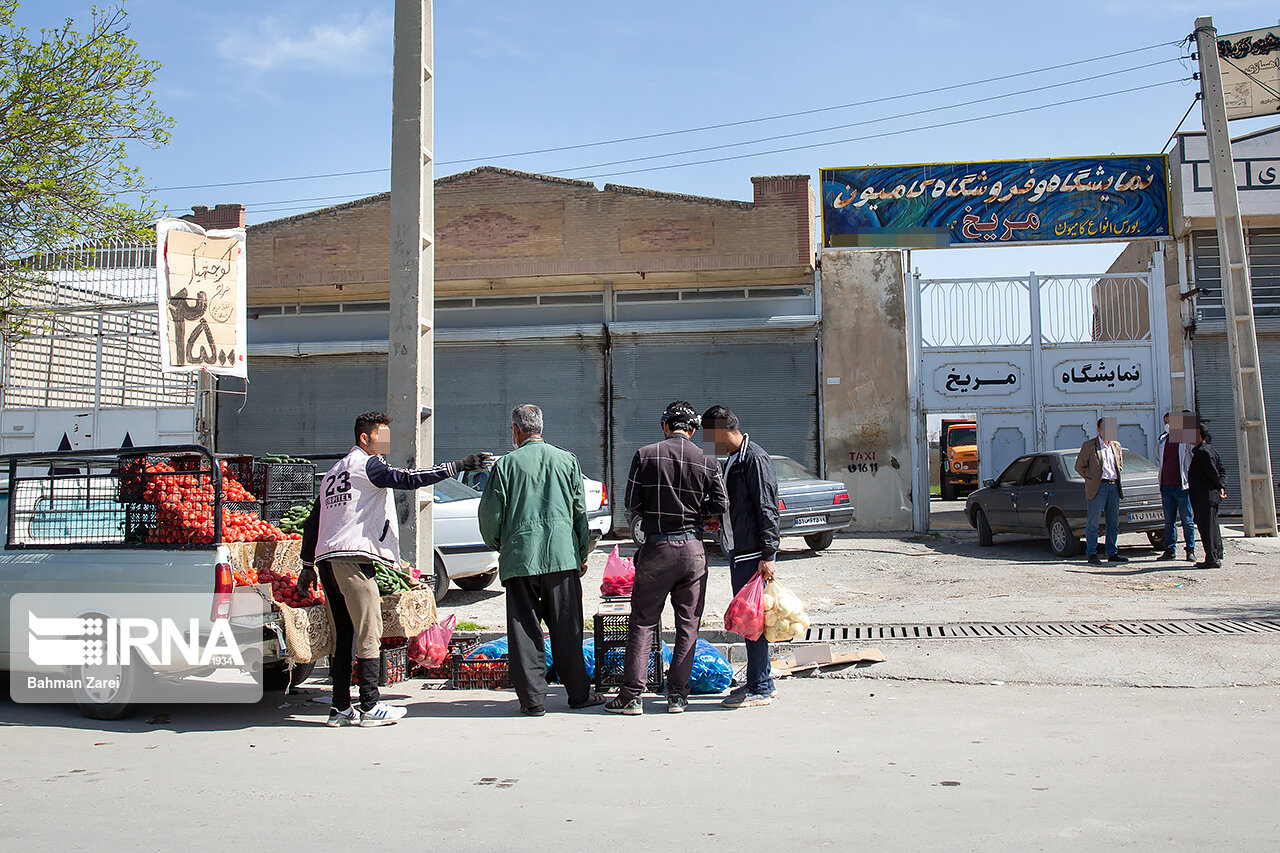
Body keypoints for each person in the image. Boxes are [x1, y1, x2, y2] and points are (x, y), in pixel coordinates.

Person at [299, 411, 491, 727]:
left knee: (343, 636)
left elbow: (313, 522)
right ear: (364, 438)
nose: (386, 441)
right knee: (368, 632)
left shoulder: (333, 473)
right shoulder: (368, 465)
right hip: (354, 560)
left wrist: (308, 566)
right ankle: (370, 707)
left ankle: (340, 708)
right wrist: (456, 466)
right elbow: (408, 479)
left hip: (327, 563)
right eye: (382, 435)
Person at [477, 404, 603, 716]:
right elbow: (579, 512)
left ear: (515, 430)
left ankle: (533, 701)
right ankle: (578, 694)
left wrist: (502, 545)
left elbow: (490, 516)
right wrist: (581, 552)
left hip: (520, 559)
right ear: (541, 428)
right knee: (568, 627)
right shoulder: (566, 460)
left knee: (525, 632)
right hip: (562, 558)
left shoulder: (505, 466)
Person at [606, 401, 728, 715]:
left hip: (657, 548)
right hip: (693, 552)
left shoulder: (645, 455)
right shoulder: (707, 461)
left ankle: (632, 696)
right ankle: (677, 696)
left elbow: (632, 502)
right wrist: (703, 517)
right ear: (693, 430)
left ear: (665, 426)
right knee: (688, 624)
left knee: (643, 622)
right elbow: (721, 503)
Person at [702, 405, 780, 709]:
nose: (709, 443)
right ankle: (762, 681)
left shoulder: (754, 458)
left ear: (722, 430)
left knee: (753, 620)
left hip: (752, 554)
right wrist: (721, 522)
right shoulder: (734, 459)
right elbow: (738, 506)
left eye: (710, 435)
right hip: (739, 550)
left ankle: (759, 687)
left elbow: (766, 507)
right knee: (751, 620)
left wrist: (768, 553)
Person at [1075, 417, 1127, 565]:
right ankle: (1092, 553)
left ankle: (1112, 552)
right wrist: (1091, 478)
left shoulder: (1116, 446)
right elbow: (1079, 466)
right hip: (1099, 487)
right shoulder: (1090, 446)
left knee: (1113, 522)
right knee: (1093, 522)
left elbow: (1120, 464)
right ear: (1099, 429)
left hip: (1113, 486)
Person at [1188, 419, 1228, 569]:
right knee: (1212, 527)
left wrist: (1219, 485)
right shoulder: (1208, 450)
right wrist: (1221, 486)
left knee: (1207, 529)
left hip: (1204, 496)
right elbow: (1222, 471)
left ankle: (1212, 559)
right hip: (1208, 496)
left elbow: (1213, 472)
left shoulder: (1203, 452)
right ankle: (1216, 554)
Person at [1157, 411, 1196, 562]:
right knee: (1169, 521)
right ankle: (1169, 550)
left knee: (1187, 520)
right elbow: (1159, 460)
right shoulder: (1162, 441)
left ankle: (1190, 550)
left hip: (1182, 487)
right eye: (1166, 422)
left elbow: (1193, 457)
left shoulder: (1185, 442)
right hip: (1166, 486)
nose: (1168, 425)